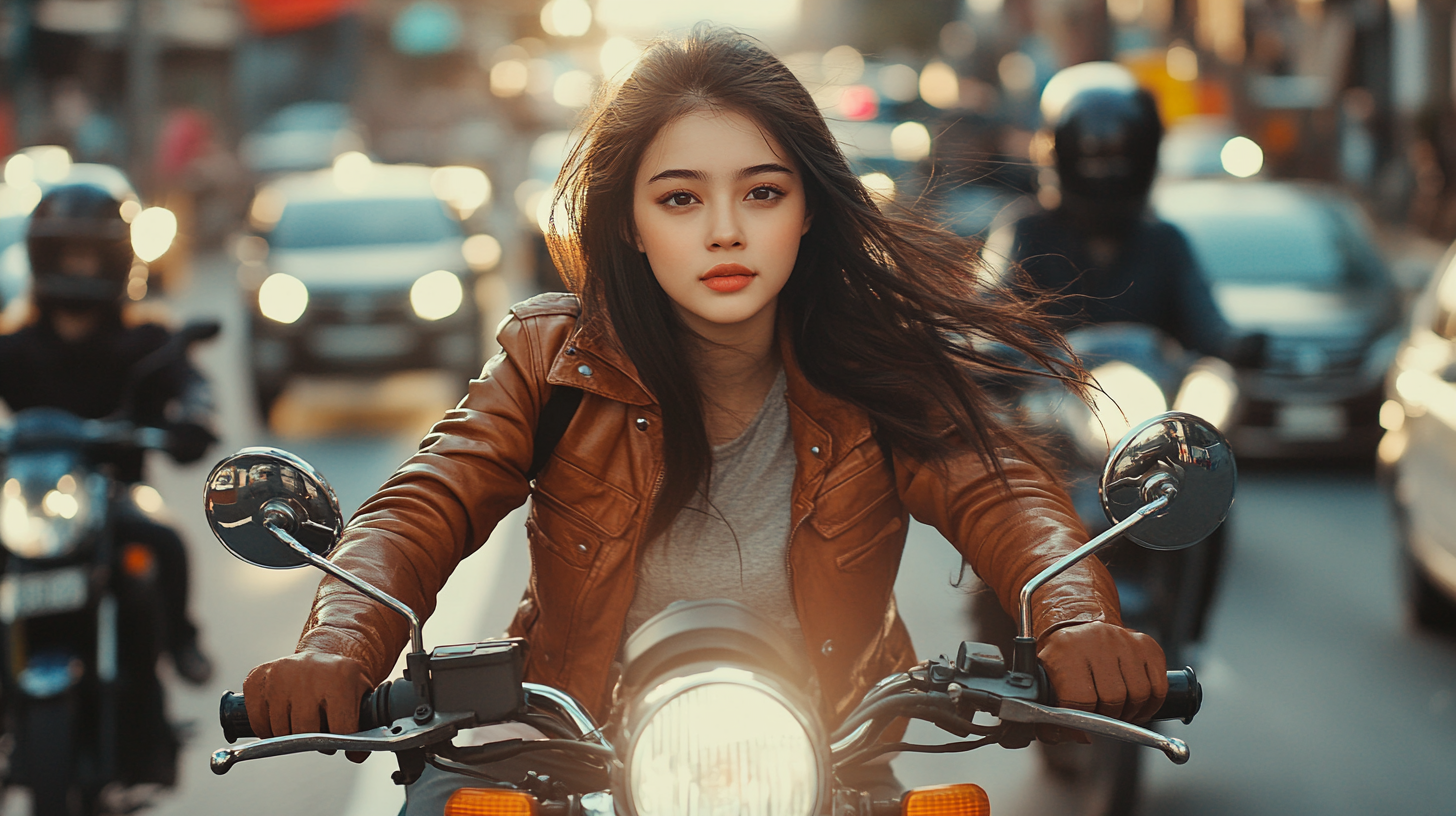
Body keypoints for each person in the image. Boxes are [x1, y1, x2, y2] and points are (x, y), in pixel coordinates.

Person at [242, 26, 1168, 807]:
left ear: (807, 209)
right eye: (680, 198)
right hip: (574, 747)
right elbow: (421, 505)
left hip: (829, 750)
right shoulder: (549, 357)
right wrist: (335, 649)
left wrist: (1074, 621)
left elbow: (1005, 492)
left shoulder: (883, 363)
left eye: (761, 192)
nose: (725, 229)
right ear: (631, 224)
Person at [0, 182, 216, 684]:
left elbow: (192, 384)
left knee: (166, 540)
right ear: (43, 256)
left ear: (115, 260)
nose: (79, 267)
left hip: (118, 494)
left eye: (90, 255)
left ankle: (181, 640)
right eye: (67, 255)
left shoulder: (149, 340)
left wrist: (194, 418)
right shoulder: (13, 344)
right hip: (30, 497)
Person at [982, 61, 1257, 363]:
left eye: (1119, 157)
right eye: (1093, 158)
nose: (1106, 176)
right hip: (1047, 405)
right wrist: (992, 347)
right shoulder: (1027, 231)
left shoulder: (1164, 242)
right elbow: (993, 310)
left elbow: (1208, 327)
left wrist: (1241, 347)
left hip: (1150, 404)